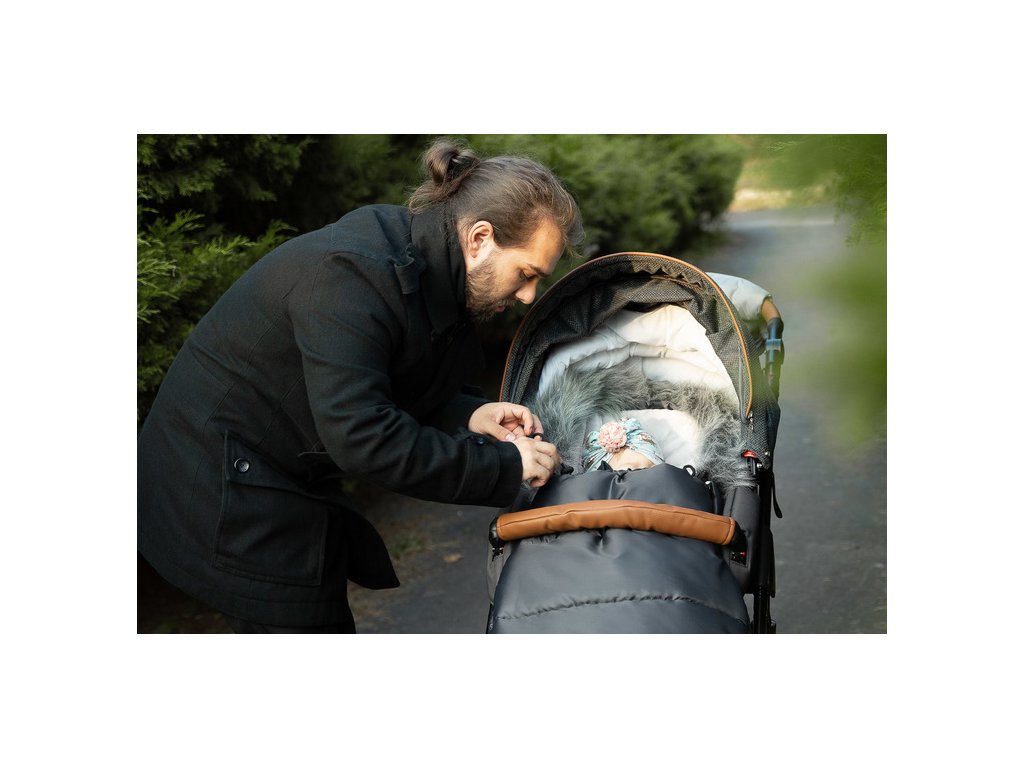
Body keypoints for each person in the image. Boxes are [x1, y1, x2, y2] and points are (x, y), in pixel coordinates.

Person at [137, 138, 582, 633]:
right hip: (213, 484)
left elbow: (389, 383)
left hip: (278, 479)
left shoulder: (426, 263)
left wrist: (468, 414)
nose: (528, 296)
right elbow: (363, 436)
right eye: (525, 273)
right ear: (479, 238)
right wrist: (504, 466)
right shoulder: (351, 275)